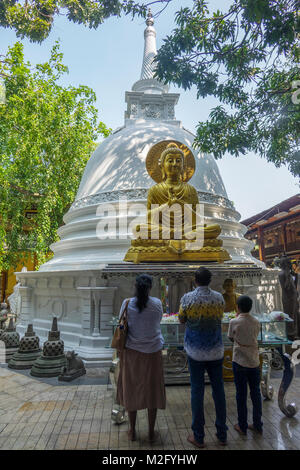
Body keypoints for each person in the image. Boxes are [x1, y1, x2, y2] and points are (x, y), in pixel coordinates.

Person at [179, 267, 228, 448]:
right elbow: (220, 317)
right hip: (216, 349)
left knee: (197, 391)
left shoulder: (187, 298)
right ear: (210, 280)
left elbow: (181, 319)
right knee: (219, 390)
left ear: (195, 280)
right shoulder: (219, 298)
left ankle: (198, 436)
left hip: (195, 351)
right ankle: (222, 434)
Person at [116, 274, 166, 442]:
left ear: (135, 286)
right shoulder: (157, 303)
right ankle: (151, 432)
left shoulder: (127, 303)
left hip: (132, 353)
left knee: (132, 389)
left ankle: (132, 431)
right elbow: (157, 322)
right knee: (152, 390)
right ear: (150, 287)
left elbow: (121, 323)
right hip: (153, 352)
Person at [228, 295, 263, 435]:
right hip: (254, 361)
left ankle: (242, 425)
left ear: (238, 307)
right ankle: (257, 424)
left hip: (240, 362)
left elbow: (231, 337)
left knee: (241, 394)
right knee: (255, 393)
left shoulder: (234, 321)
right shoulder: (256, 321)